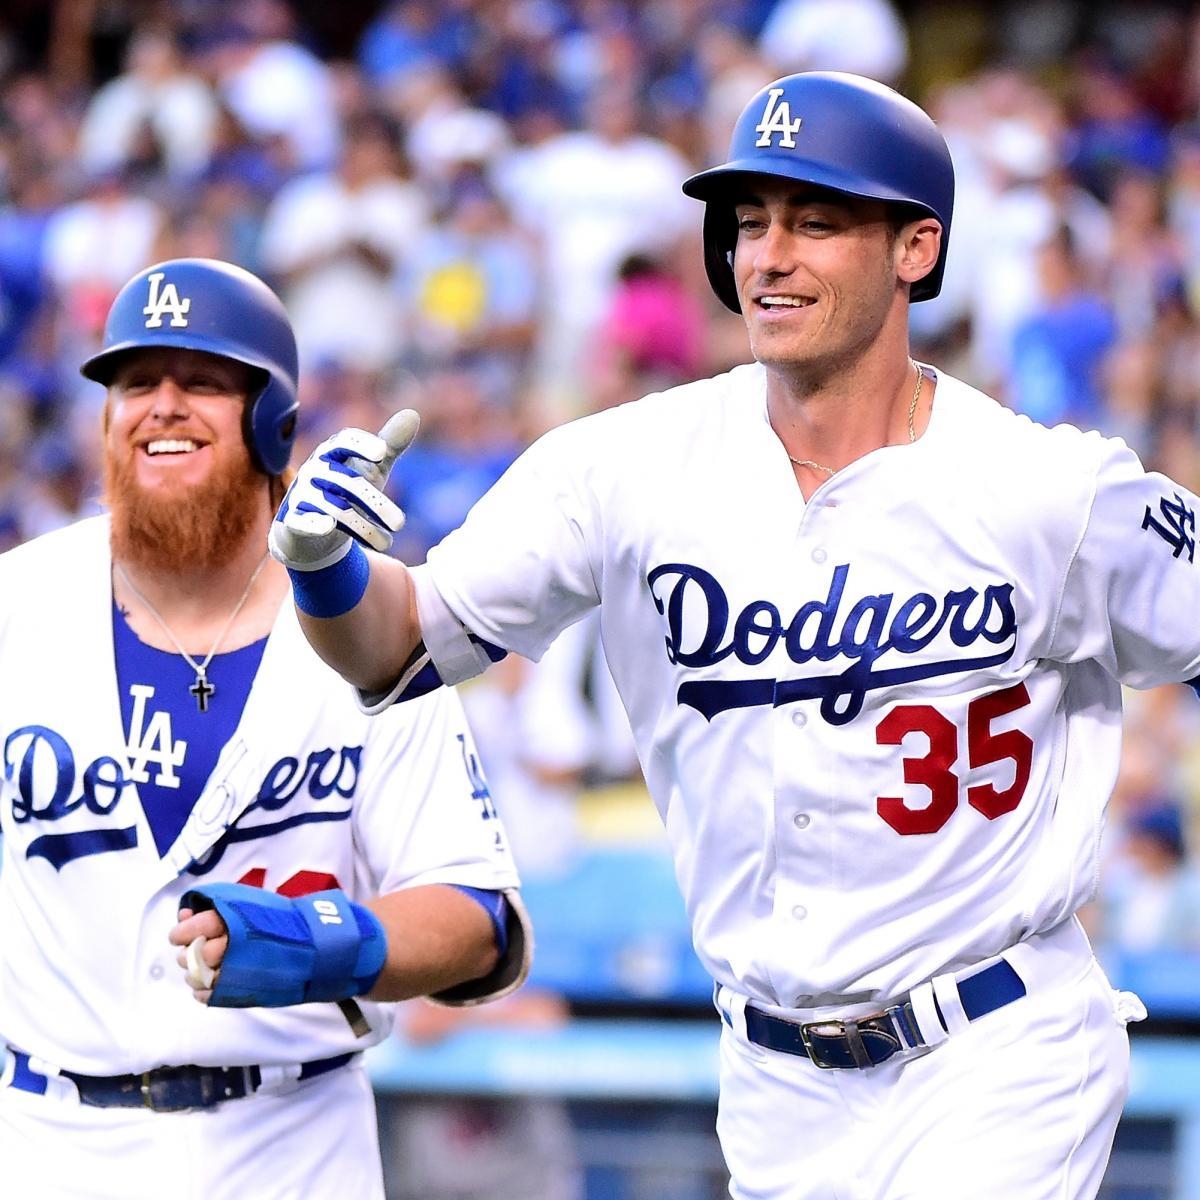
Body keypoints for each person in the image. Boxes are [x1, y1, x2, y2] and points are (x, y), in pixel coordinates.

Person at [269, 71, 1175, 1200]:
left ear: (915, 248)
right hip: (772, 1075)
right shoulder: (624, 466)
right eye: (749, 224)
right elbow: (396, 648)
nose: (768, 256)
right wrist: (326, 573)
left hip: (999, 1046)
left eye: (817, 220)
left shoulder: (1046, 489)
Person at [0, 257, 530, 1200]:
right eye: (132, 384)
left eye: (202, 381)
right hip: (49, 1140)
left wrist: (329, 943)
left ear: (271, 418)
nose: (161, 405)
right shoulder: (16, 606)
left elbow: (479, 921)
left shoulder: (368, 629)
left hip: (293, 1140)